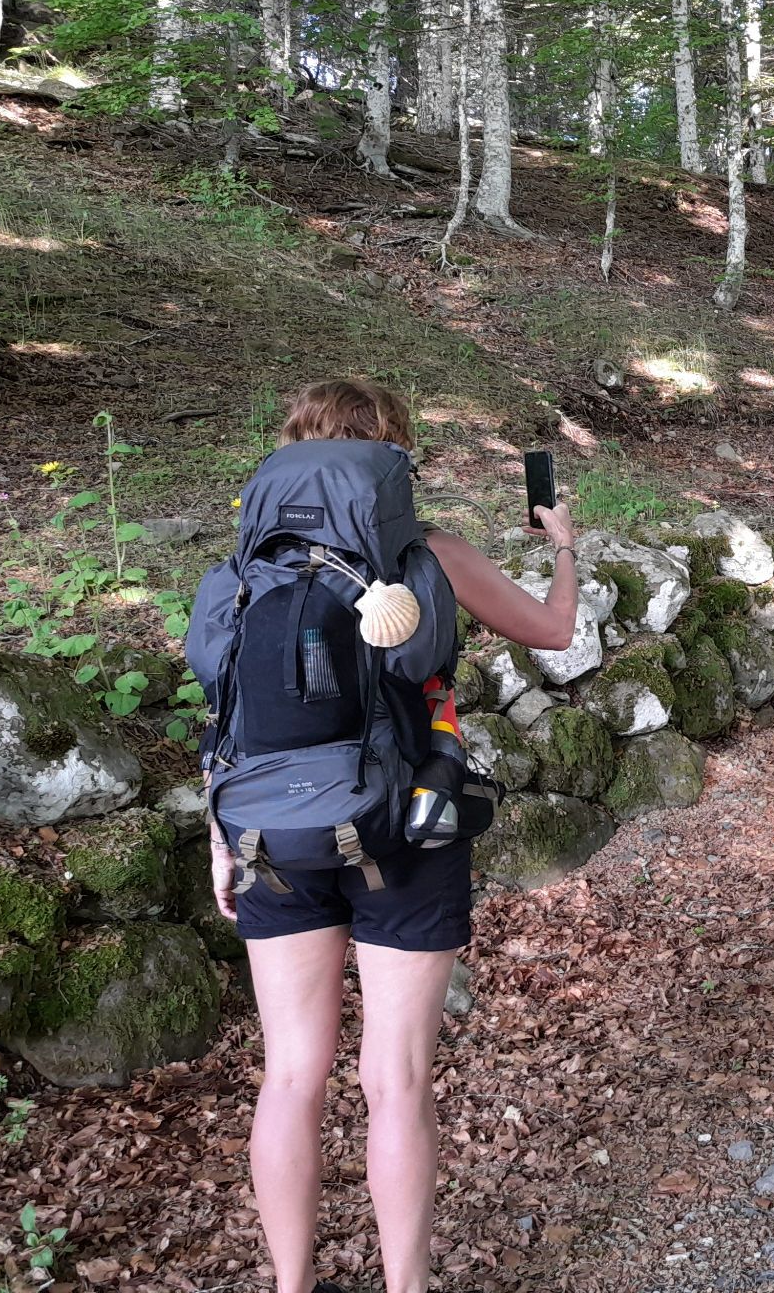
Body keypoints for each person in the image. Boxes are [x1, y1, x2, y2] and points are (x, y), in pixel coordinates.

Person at [207, 378, 579, 1293]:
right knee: (396, 1081)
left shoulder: (247, 571)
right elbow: (554, 630)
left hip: (270, 839)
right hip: (405, 831)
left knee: (290, 1077)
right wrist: (563, 545)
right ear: (392, 454)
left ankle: (292, 1285)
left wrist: (221, 838)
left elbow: (225, 715)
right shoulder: (431, 556)